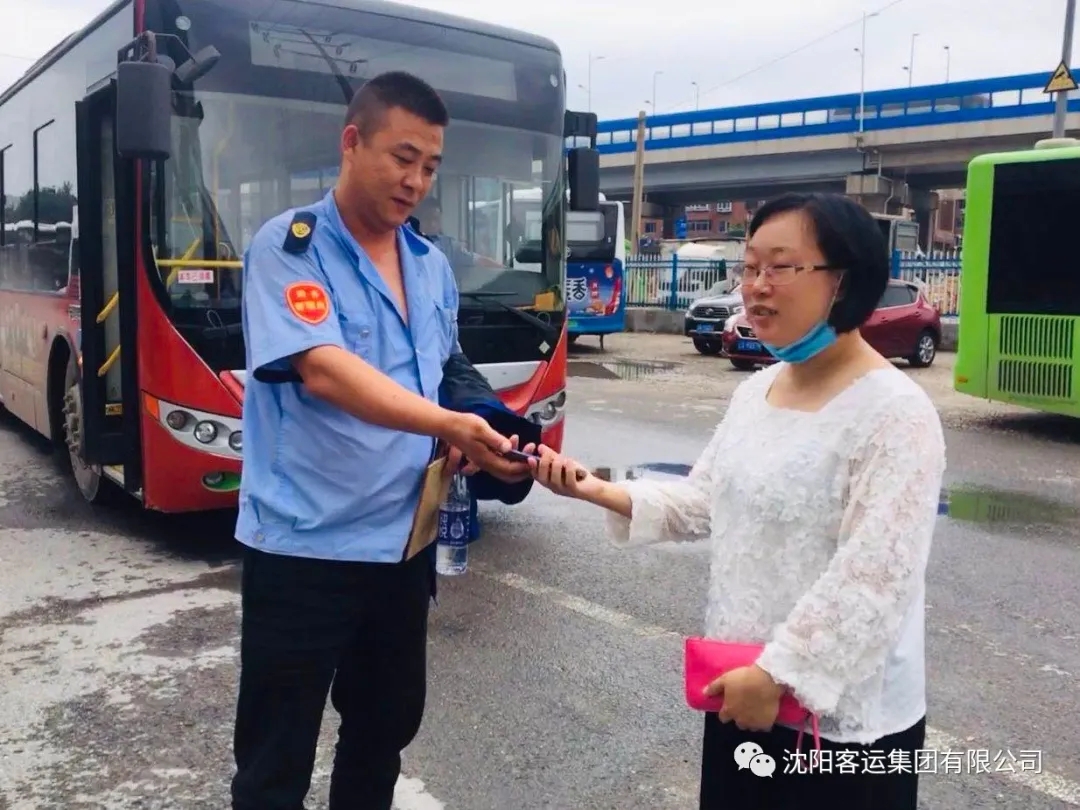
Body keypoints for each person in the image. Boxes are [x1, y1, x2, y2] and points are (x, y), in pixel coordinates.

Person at [525, 192, 946, 810]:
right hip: (739, 689)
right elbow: (705, 500)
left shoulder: (896, 413)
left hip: (837, 723)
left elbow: (876, 577)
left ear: (845, 280)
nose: (756, 286)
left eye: (781, 266)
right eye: (749, 267)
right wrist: (594, 489)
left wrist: (779, 674)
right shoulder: (758, 392)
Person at [231, 70, 536, 810]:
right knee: (275, 759)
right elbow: (323, 369)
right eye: (403, 157)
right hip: (304, 548)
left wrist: (489, 434)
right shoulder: (292, 248)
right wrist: (446, 424)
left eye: (430, 166)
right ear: (352, 142)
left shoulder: (430, 266)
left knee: (382, 734)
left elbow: (445, 367)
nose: (416, 181)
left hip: (401, 548)